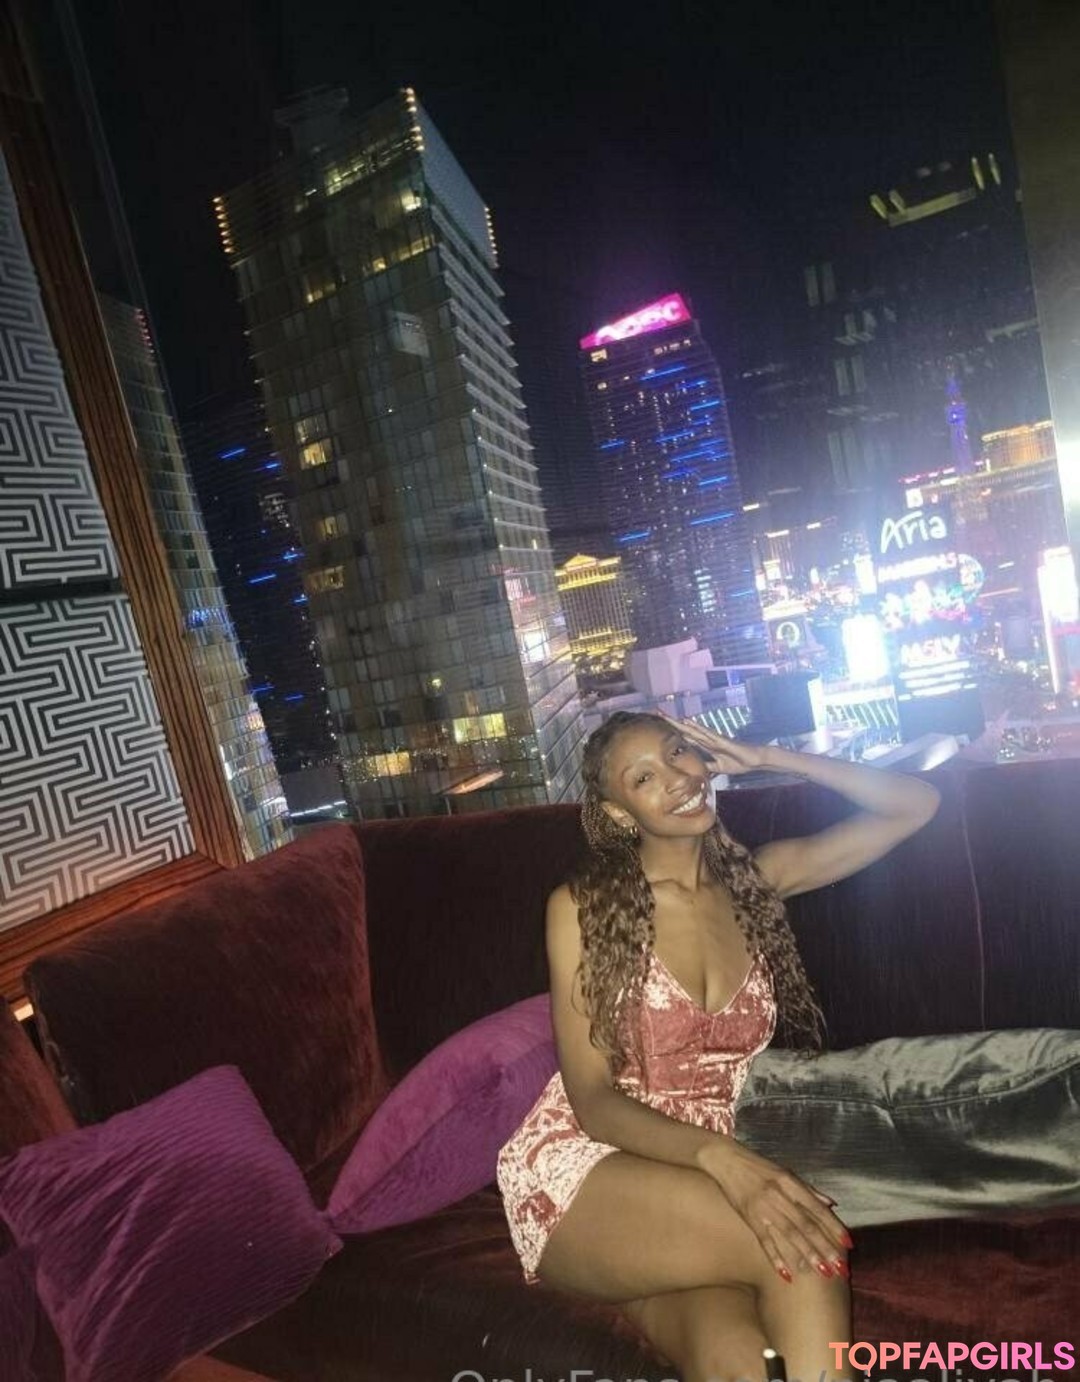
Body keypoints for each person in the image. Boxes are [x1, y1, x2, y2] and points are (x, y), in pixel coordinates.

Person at [497, 710, 941, 1382]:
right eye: (645, 777)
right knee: (805, 1241)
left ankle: (643, 1284)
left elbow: (916, 804)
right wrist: (728, 1163)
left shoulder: (757, 883)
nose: (677, 778)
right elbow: (591, 1099)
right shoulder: (582, 906)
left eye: (679, 753)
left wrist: (768, 757)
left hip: (693, 1189)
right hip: (589, 1170)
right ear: (619, 814)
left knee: (741, 1365)